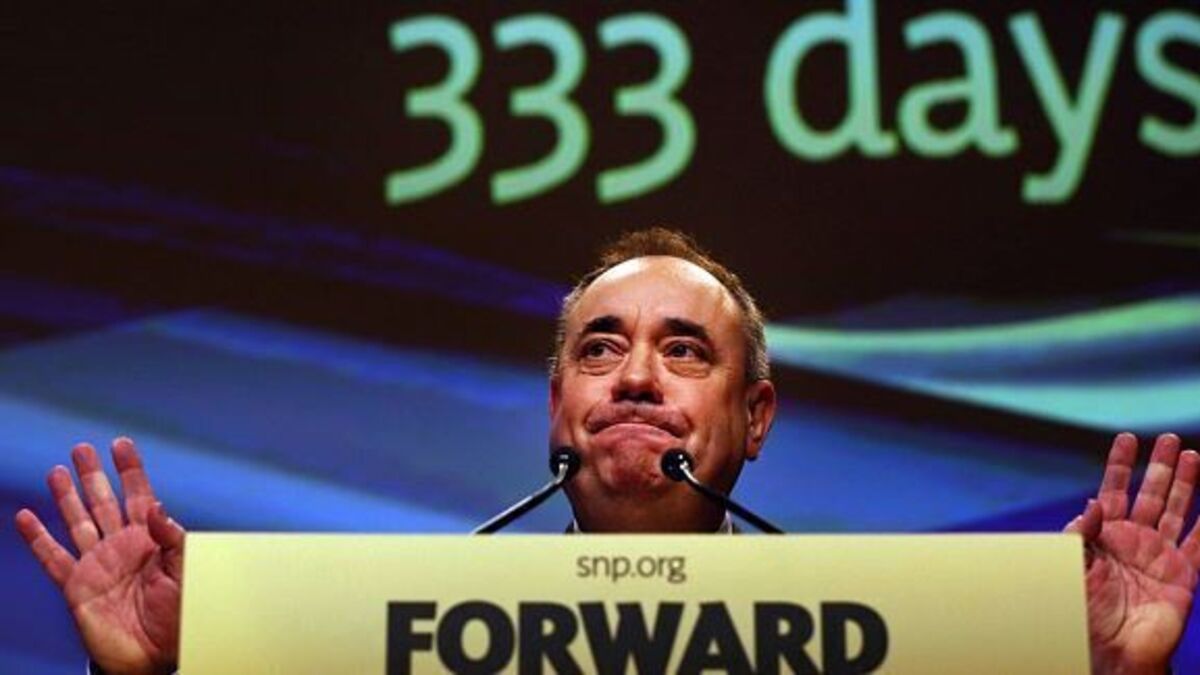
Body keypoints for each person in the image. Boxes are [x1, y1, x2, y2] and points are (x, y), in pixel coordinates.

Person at [14, 228, 1200, 674]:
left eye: (684, 350)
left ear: (756, 418)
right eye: (600, 349)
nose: (635, 378)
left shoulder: (886, 641)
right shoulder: (411, 635)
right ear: (557, 408)